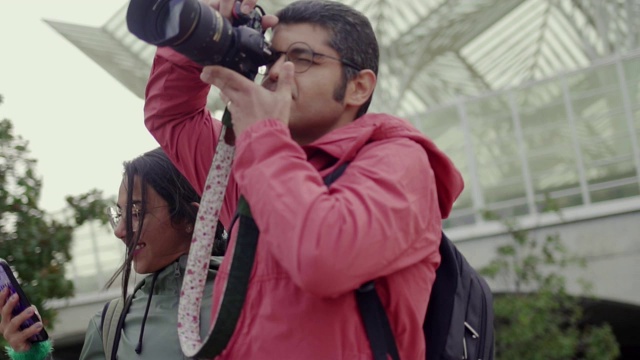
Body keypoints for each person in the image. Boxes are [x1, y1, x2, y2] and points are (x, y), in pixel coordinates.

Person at [145, 0, 464, 358]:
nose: (278, 72)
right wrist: (193, 42)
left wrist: (264, 135)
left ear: (358, 87)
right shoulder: (253, 165)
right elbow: (172, 118)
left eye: (302, 58)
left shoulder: (401, 162)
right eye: (271, 58)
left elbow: (324, 258)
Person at [0, 147, 222, 359]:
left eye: (136, 211)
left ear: (191, 219)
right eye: (119, 214)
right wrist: (31, 355)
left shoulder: (248, 294)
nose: (119, 231)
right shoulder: (110, 326)